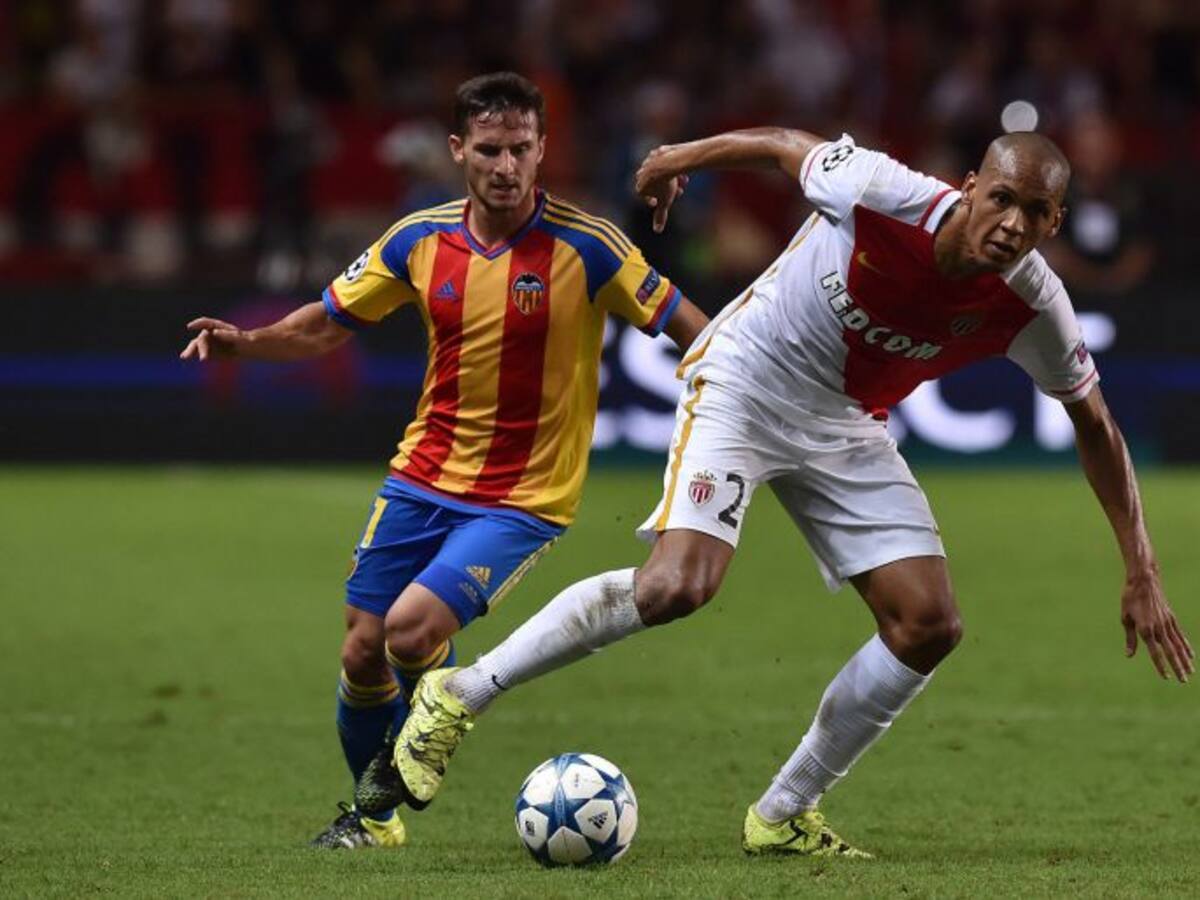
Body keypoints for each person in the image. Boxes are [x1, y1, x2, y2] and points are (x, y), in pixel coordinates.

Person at [354, 125, 1194, 857]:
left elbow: (1096, 425)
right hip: (748, 379)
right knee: (679, 586)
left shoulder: (1035, 303)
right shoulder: (883, 192)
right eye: (1001, 199)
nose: (1011, 224)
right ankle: (460, 694)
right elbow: (786, 145)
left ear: (1054, 223)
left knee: (928, 624)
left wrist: (1141, 568)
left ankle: (784, 813)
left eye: (1034, 213)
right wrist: (677, 158)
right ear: (971, 187)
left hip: (845, 423)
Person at [179, 72, 707, 849]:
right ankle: (375, 818)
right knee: (362, 651)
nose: (506, 166)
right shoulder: (417, 240)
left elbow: (698, 334)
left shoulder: (590, 247)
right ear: (458, 150)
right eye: (489, 149)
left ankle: (438, 712)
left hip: (523, 497)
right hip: (421, 474)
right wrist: (247, 343)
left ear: (543, 149)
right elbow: (327, 323)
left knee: (408, 630)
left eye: (520, 148)